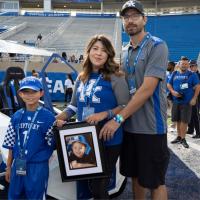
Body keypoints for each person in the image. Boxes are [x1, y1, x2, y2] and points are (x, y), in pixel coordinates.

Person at [100, 1, 170, 199]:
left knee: (156, 182)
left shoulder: (157, 45)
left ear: (144, 19)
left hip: (150, 127)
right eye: (126, 17)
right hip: (129, 127)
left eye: (134, 16)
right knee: (135, 177)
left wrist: (118, 119)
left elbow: (146, 90)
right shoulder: (123, 50)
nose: (130, 20)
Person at [56, 34, 130, 199]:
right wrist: (61, 117)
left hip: (109, 138)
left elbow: (125, 105)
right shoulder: (81, 77)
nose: (98, 53)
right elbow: (73, 106)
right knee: (89, 184)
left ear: (109, 54)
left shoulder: (116, 76)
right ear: (88, 52)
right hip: (85, 139)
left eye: (103, 50)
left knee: (99, 186)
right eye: (95, 49)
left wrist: (105, 114)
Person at [2, 76, 55, 200]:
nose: (29, 95)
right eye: (26, 92)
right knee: (14, 196)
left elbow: (52, 144)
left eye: (33, 92)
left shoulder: (48, 117)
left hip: (37, 166)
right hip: (18, 165)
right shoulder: (16, 116)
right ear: (20, 94)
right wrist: (9, 167)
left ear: (41, 93)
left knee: (35, 197)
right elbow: (11, 144)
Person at [168, 56, 200, 148]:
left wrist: (194, 98)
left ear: (188, 65)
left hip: (187, 102)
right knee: (177, 119)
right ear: (179, 64)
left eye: (186, 64)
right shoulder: (175, 73)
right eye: (183, 64)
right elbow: (169, 84)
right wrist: (173, 92)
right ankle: (178, 137)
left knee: (184, 121)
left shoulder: (192, 74)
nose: (184, 65)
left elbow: (198, 86)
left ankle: (183, 138)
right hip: (176, 101)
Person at [187, 60, 200, 138]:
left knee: (195, 115)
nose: (192, 68)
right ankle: (190, 129)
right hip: (189, 97)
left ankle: (198, 132)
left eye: (193, 66)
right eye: (191, 66)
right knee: (190, 114)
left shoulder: (198, 75)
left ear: (196, 66)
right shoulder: (189, 75)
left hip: (197, 97)